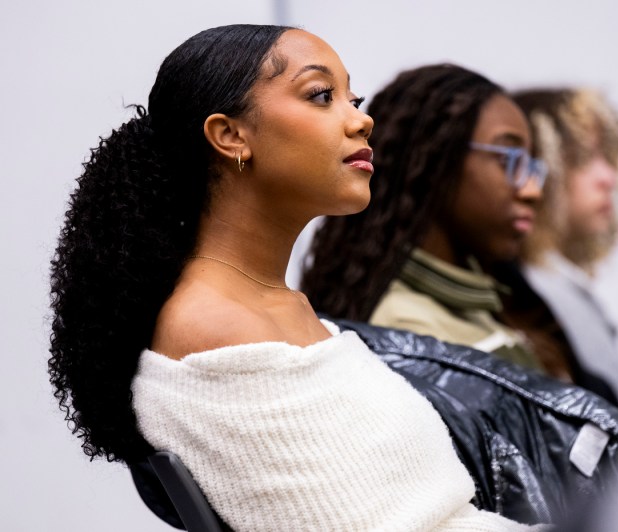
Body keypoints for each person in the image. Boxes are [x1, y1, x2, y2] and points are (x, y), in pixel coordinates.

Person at [47, 25, 546, 531]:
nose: (362, 119)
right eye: (322, 95)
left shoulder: (281, 310)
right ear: (231, 135)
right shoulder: (214, 329)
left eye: (355, 98)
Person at [302, 64, 553, 372]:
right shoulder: (407, 331)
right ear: (435, 159)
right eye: (507, 159)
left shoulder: (479, 303)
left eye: (530, 165)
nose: (531, 190)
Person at [502, 88, 618, 423]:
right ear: (538, 165)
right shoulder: (541, 292)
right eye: (582, 159)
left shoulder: (556, 280)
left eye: (609, 157)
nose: (608, 177)